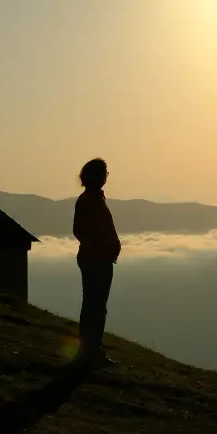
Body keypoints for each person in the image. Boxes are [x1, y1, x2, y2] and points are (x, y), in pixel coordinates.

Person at [73, 157, 121, 366]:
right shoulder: (91, 201)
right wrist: (103, 249)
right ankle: (92, 349)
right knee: (96, 304)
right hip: (97, 260)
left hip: (94, 258)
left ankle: (90, 347)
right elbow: (83, 231)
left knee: (93, 302)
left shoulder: (90, 200)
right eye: (104, 173)